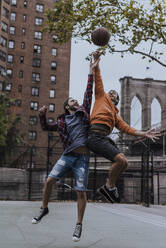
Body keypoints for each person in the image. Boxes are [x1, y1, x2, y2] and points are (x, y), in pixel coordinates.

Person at [31, 56, 101, 242]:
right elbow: (46, 128)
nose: (76, 101)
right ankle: (44, 208)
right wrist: (41, 116)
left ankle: (78, 225)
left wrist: (91, 71)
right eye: (72, 100)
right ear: (66, 106)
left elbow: (88, 91)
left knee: (81, 192)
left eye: (76, 100)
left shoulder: (83, 111)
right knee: (49, 181)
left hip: (83, 158)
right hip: (68, 155)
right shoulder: (62, 121)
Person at [87, 50, 160, 203]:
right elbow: (98, 80)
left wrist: (144, 134)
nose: (111, 93)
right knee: (121, 160)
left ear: (117, 100)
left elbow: (128, 129)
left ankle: (109, 187)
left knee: (123, 162)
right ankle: (110, 187)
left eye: (114, 94)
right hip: (94, 136)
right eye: (110, 92)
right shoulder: (101, 96)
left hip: (103, 138)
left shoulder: (115, 115)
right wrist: (96, 63)